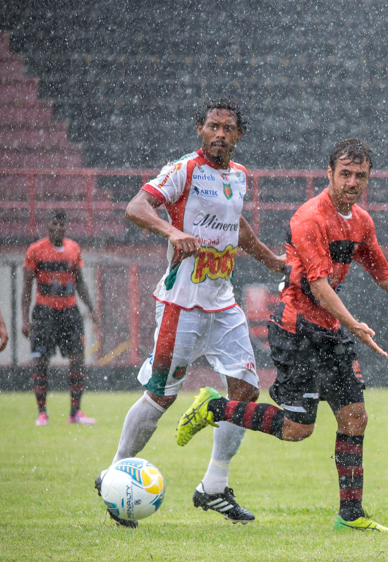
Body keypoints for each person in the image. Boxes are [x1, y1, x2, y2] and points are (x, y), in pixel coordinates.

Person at [176, 138, 388, 533]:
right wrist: (354, 323)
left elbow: (384, 272)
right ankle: (214, 408)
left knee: (355, 416)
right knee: (297, 429)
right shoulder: (310, 218)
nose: (352, 182)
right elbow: (320, 285)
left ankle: (351, 514)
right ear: (329, 174)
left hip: (331, 332)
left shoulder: (361, 221)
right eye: (345, 174)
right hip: (296, 332)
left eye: (360, 175)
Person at [95, 99, 285, 528]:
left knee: (246, 392)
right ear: (200, 129)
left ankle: (214, 488)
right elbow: (136, 207)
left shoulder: (239, 177)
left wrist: (271, 260)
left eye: (228, 128)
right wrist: (172, 230)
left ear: (239, 135)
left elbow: (236, 227)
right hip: (182, 305)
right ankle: (114, 473)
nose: (220, 134)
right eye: (213, 126)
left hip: (223, 304)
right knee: (161, 397)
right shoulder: (183, 169)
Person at [21, 209, 100, 426]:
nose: (58, 228)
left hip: (69, 311)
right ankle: (42, 413)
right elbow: (27, 287)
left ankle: (75, 412)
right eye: (54, 224)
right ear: (48, 225)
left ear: (65, 227)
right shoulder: (36, 250)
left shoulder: (74, 249)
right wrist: (25, 319)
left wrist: (92, 309)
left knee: (77, 358)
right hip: (45, 312)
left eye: (61, 225)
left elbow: (81, 282)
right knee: (41, 360)